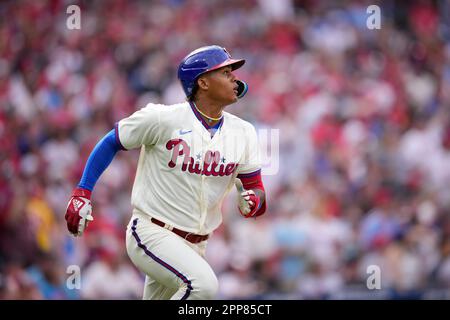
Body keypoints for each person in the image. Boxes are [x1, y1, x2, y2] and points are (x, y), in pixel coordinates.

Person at [65, 45, 267, 300]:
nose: (234, 78)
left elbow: (256, 189)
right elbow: (112, 141)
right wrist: (83, 191)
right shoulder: (163, 118)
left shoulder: (244, 132)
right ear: (203, 82)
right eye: (226, 72)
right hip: (152, 232)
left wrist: (254, 200)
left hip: (197, 245)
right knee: (204, 286)